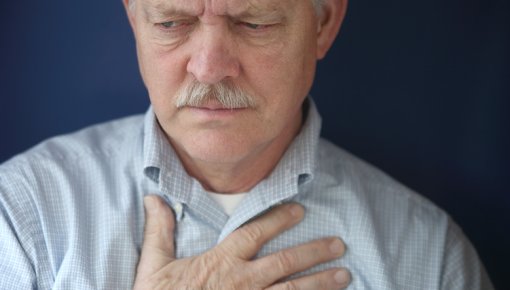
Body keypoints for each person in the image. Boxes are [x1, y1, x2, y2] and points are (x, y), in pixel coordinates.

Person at [0, 0, 493, 289]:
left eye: (254, 22)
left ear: (324, 23)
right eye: (173, 22)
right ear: (134, 19)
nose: (210, 68)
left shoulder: (431, 257)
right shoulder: (22, 216)